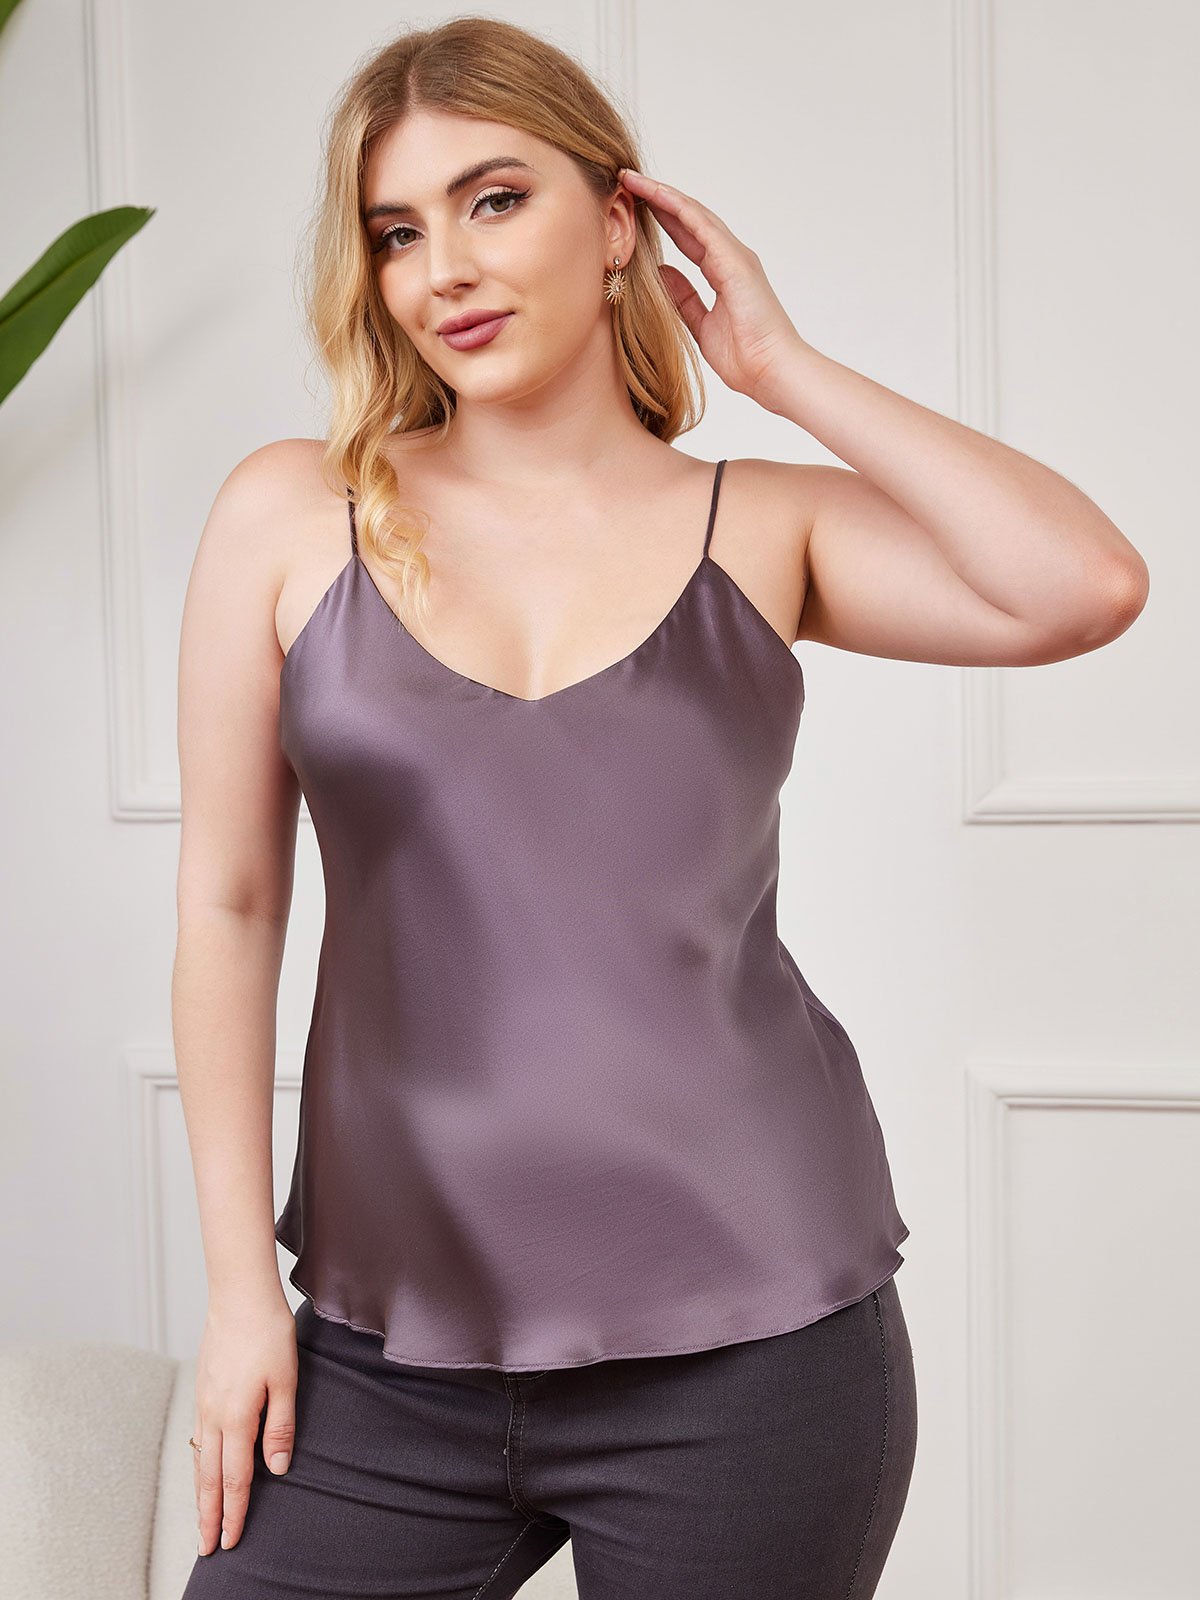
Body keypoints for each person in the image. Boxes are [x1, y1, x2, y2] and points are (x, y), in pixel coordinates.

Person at [172, 16, 1148, 1599]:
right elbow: (230, 903)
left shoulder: (762, 526)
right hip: (382, 1355)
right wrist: (237, 1294)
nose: (444, 270)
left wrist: (783, 369)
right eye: (397, 232)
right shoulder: (293, 512)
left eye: (496, 201)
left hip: (753, 1353)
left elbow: (1084, 585)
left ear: (620, 221)